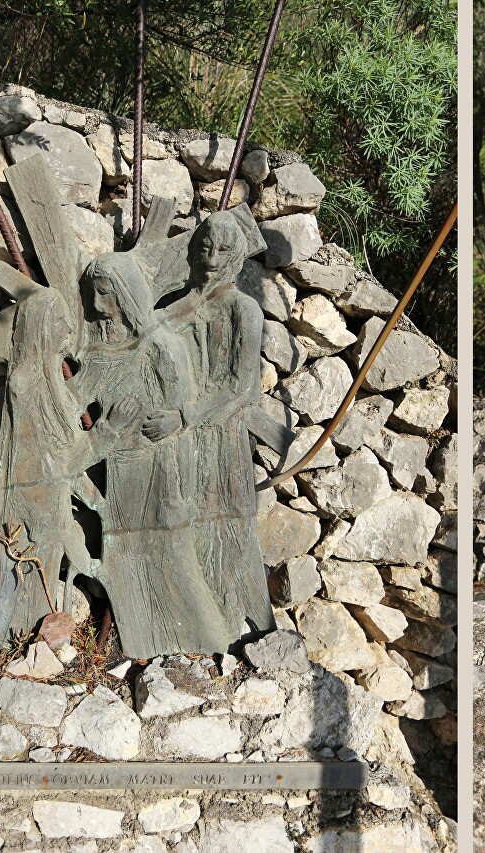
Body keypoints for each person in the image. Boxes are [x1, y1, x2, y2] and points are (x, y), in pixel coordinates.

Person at [78, 252, 234, 658]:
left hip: (159, 466)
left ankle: (203, 639)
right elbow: (77, 394)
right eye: (93, 294)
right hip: (120, 468)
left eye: (106, 294)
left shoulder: (162, 346)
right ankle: (142, 638)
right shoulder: (100, 351)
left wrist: (176, 423)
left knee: (172, 553)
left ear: (128, 295)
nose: (97, 306)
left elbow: (184, 410)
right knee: (126, 554)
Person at [0, 288, 107, 648]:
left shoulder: (39, 372)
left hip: (44, 480)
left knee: (37, 558)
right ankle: (19, 637)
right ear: (43, 327)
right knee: (34, 557)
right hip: (38, 483)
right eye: (60, 322)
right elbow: (58, 437)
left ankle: (28, 634)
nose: (67, 330)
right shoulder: (33, 376)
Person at [163, 209, 275, 639]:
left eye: (223, 249)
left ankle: (232, 620)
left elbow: (241, 388)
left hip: (218, 434)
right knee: (182, 522)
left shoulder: (244, 309)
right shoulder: (186, 304)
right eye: (205, 245)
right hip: (179, 435)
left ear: (237, 256)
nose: (211, 256)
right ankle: (189, 621)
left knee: (222, 523)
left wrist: (185, 416)